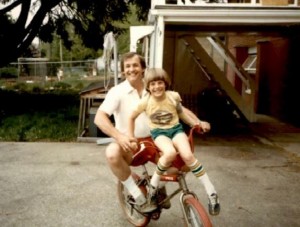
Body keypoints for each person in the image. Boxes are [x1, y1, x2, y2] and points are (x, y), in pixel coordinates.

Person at [94, 52, 212, 213]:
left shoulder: (153, 86)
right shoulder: (117, 91)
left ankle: (157, 187)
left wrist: (198, 122)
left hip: (157, 139)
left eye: (135, 65)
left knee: (184, 166)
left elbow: (179, 108)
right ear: (122, 71)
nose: (131, 69)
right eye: (127, 66)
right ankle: (139, 197)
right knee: (111, 152)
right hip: (132, 143)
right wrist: (120, 137)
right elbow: (99, 118)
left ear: (143, 68)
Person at [128, 68, 220, 215]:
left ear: (165, 83)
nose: (157, 87)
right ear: (148, 87)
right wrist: (131, 137)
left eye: (160, 83)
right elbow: (131, 117)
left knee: (188, 156)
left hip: (176, 130)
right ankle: (153, 188)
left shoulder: (173, 97)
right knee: (169, 153)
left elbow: (181, 113)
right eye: (152, 84)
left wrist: (195, 124)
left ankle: (212, 192)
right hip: (159, 134)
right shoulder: (145, 102)